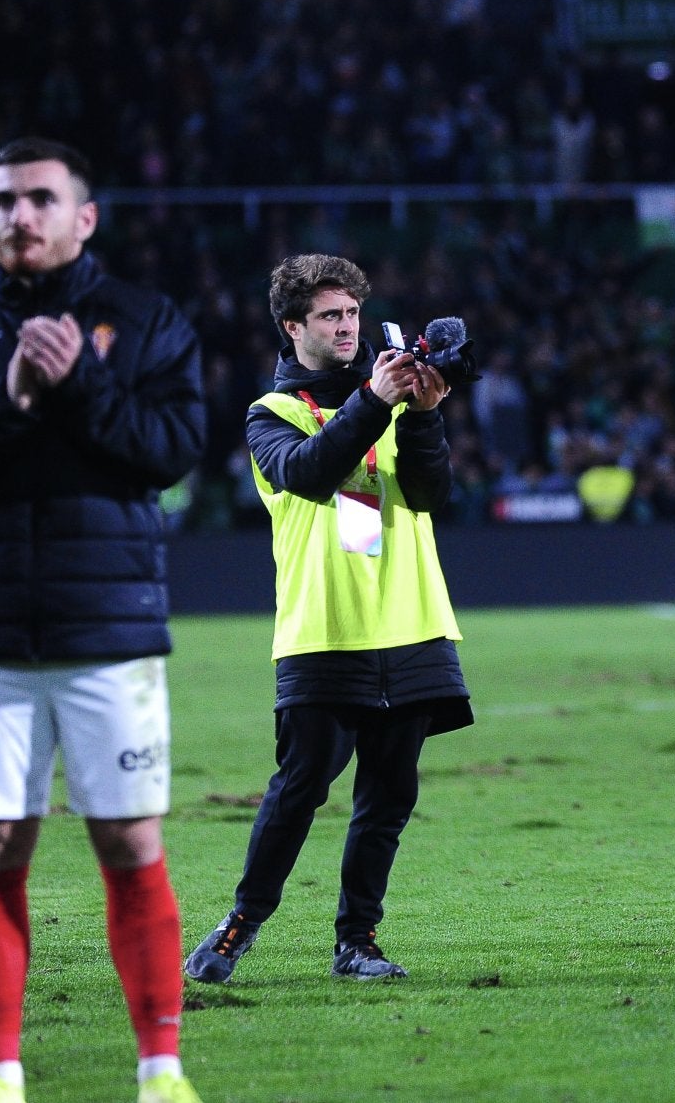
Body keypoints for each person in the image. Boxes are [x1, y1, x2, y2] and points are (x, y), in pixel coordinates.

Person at [0, 138, 205, 1103]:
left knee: (130, 844)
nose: (19, 216)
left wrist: (83, 384)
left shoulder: (144, 323)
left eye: (40, 199)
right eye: (3, 201)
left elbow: (172, 453)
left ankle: (160, 1070)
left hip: (112, 634)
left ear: (84, 216)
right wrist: (11, 399)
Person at [184, 255, 472, 986]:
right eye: (329, 317)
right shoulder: (269, 413)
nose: (346, 327)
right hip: (324, 627)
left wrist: (427, 414)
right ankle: (241, 923)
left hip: (411, 619)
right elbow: (311, 471)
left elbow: (433, 493)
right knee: (301, 785)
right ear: (292, 327)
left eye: (352, 314)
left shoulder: (397, 398)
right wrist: (377, 401)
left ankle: (358, 941)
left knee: (390, 795)